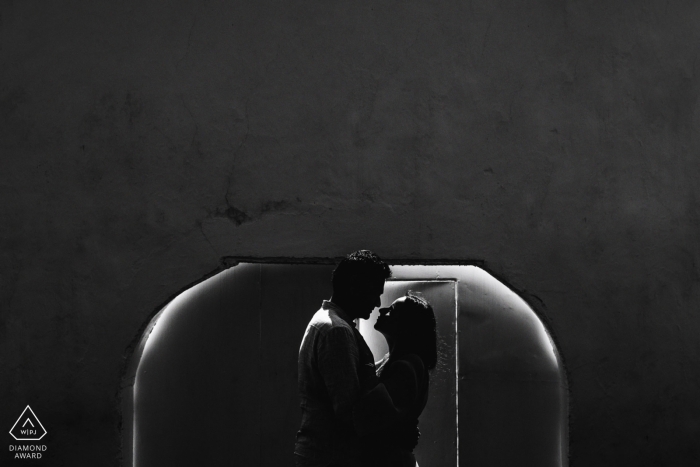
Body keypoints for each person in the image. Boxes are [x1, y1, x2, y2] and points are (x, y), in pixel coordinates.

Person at [294, 250, 392, 467]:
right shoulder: (337, 331)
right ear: (354, 285)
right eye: (374, 292)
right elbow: (349, 410)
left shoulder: (325, 321)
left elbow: (348, 376)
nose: (377, 303)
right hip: (331, 457)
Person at [353, 292, 438, 467]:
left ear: (406, 324)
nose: (382, 309)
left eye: (392, 310)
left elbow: (373, 413)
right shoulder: (390, 361)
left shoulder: (409, 364)